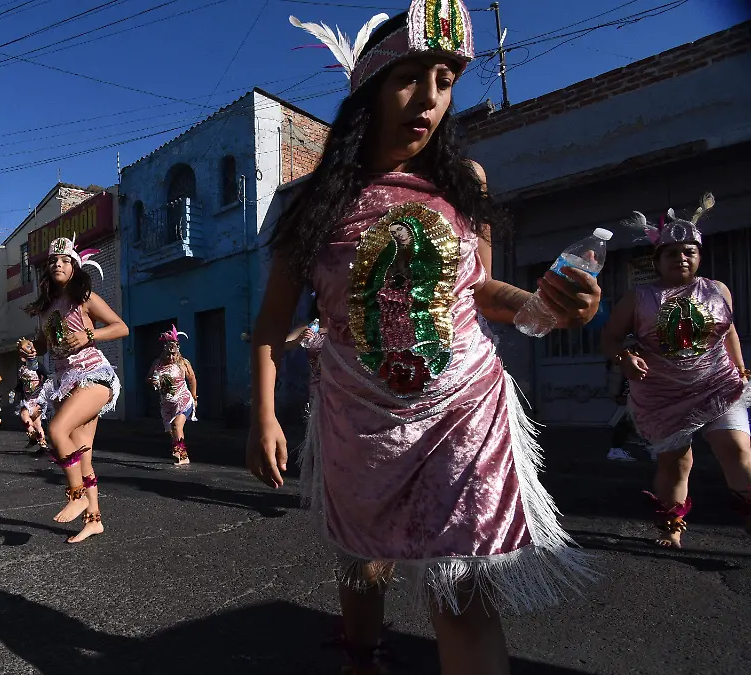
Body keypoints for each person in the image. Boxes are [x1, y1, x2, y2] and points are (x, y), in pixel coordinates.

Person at [248, 6, 601, 673]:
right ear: (370, 90)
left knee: (465, 592)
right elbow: (271, 326)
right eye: (412, 76)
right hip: (357, 419)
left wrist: (549, 306)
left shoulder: (466, 184)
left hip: (463, 413)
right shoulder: (314, 204)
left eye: (446, 79)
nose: (432, 97)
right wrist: (263, 415)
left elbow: (485, 292)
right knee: (364, 561)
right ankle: (362, 650)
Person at [600, 196, 751, 549]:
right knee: (677, 463)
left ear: (698, 255)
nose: (682, 258)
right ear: (658, 260)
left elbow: (729, 331)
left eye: (689, 252)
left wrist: (741, 367)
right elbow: (609, 338)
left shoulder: (717, 290)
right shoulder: (639, 298)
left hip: (717, 384)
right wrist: (623, 357)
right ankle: (672, 526)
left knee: (738, 449)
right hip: (662, 393)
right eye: (673, 253)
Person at [27, 235, 127, 543]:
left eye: (65, 260)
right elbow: (45, 344)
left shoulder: (83, 298)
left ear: (76, 266)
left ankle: (77, 494)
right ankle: (94, 520)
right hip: (65, 381)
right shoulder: (46, 309)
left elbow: (121, 326)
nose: (58, 264)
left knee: (57, 430)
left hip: (94, 376)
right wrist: (31, 348)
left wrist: (90, 334)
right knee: (83, 456)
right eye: (53, 261)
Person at [147, 325, 197, 465]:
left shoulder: (183, 363)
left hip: (183, 400)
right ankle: (178, 451)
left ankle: (182, 456)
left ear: (177, 353)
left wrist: (194, 396)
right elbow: (148, 379)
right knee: (171, 431)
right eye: (168, 354)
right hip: (166, 403)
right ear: (164, 352)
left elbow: (192, 379)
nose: (171, 357)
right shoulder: (157, 364)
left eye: (173, 354)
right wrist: (155, 382)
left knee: (176, 425)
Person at [14, 337, 49, 450]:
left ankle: (35, 437)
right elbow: (20, 384)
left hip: (38, 397)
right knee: (36, 422)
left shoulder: (37, 366)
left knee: (25, 416)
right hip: (27, 398)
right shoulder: (21, 369)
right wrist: (15, 392)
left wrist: (48, 391)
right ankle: (40, 442)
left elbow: (47, 377)